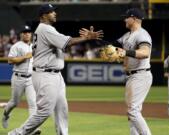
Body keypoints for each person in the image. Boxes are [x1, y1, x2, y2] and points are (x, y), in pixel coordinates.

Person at [8, 3, 103, 135]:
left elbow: (63, 43)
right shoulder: (45, 29)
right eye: (51, 11)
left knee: (61, 109)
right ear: (43, 15)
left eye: (54, 11)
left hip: (54, 75)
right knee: (44, 111)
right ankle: (17, 133)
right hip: (45, 75)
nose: (55, 13)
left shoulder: (47, 29)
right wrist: (86, 38)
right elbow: (67, 42)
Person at [2, 25, 40, 134]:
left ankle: (32, 128)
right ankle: (6, 114)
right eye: (24, 32)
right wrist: (24, 57)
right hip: (18, 78)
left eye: (28, 32)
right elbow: (10, 60)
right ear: (21, 34)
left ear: (31, 34)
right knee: (14, 103)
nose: (27, 34)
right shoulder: (16, 46)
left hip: (31, 79)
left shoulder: (34, 46)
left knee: (33, 104)